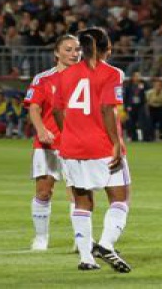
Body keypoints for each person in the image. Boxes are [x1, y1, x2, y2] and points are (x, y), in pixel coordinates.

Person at [53, 27, 131, 272]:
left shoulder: (65, 74)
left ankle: (86, 258)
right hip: (101, 145)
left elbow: (56, 110)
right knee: (119, 198)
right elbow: (109, 109)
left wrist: (70, 132)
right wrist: (116, 142)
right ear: (108, 49)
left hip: (72, 146)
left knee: (82, 202)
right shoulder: (112, 73)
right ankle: (106, 244)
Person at [24, 34, 80, 251]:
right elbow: (34, 107)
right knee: (44, 192)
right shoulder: (43, 79)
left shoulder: (86, 78)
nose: (74, 53)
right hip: (48, 143)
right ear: (57, 53)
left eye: (76, 50)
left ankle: (80, 238)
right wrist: (41, 130)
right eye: (68, 49)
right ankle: (41, 238)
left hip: (77, 144)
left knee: (78, 192)